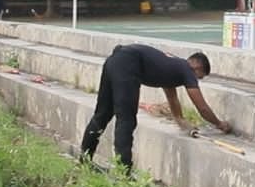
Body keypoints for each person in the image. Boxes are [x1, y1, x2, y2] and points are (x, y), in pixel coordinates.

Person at [80, 44, 231, 171]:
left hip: (114, 60)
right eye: (200, 77)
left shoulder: (173, 66)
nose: (197, 80)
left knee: (103, 114)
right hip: (128, 63)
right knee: (126, 118)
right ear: (197, 67)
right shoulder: (186, 69)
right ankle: (123, 171)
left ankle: (84, 160)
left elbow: (172, 96)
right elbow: (202, 107)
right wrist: (219, 124)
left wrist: (179, 119)